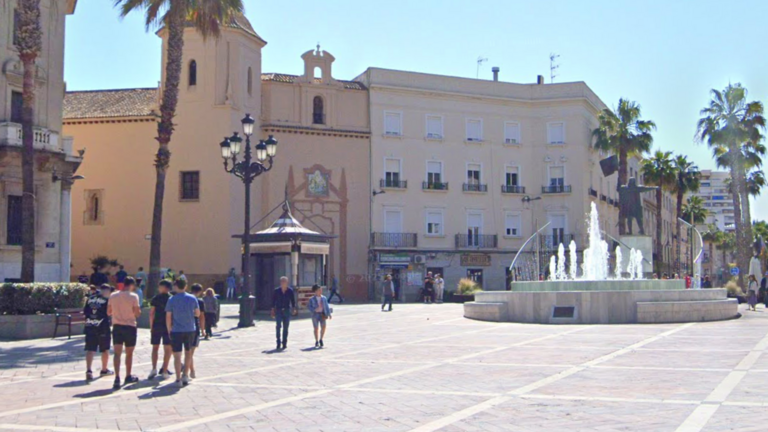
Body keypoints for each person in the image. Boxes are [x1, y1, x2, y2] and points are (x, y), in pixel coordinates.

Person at [107, 276, 141, 390]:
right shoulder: (133, 296)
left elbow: (109, 311)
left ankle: (117, 377)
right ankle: (128, 375)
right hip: (130, 326)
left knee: (117, 353)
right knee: (129, 353)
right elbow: (137, 313)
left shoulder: (113, 295)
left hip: (117, 326)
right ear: (131, 285)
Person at [165, 278, 200, 387]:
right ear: (185, 286)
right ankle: (185, 374)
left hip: (176, 330)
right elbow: (197, 313)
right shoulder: (192, 298)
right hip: (190, 329)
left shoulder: (172, 299)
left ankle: (178, 378)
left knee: (177, 355)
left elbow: (168, 316)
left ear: (175, 286)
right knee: (188, 352)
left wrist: (168, 329)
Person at [84, 284, 114, 381]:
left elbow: (85, 312)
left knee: (90, 348)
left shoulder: (90, 299)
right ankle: (104, 369)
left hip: (90, 326)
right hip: (103, 327)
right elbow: (110, 312)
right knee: (105, 349)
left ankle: (89, 370)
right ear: (107, 291)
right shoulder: (107, 300)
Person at [148, 280, 173, 380]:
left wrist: (151, 326)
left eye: (160, 286)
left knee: (156, 347)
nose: (159, 288)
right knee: (167, 349)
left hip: (157, 325)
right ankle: (164, 369)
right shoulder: (171, 298)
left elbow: (151, 313)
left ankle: (154, 368)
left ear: (165, 287)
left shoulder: (156, 298)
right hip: (168, 326)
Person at [271, 276, 297, 350]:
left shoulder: (290, 291)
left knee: (286, 328)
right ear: (280, 283)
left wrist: (294, 308)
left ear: (287, 283)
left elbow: (293, 301)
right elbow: (273, 300)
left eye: (284, 282)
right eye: (282, 282)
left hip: (287, 310)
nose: (283, 283)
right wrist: (272, 309)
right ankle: (278, 342)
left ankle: (284, 343)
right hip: (278, 310)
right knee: (278, 326)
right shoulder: (276, 291)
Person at [189, 284, 207, 378]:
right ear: (199, 292)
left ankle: (188, 369)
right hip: (194, 326)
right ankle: (191, 370)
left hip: (182, 326)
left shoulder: (185, 299)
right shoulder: (199, 301)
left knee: (184, 351)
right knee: (190, 351)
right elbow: (202, 316)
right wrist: (203, 330)